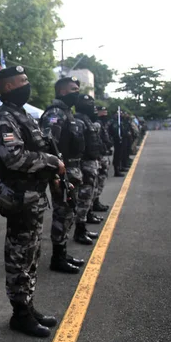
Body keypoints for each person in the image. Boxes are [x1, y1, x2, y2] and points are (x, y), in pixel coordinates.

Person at [0, 66, 62, 338]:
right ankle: (19, 314)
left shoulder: (22, 116)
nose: (27, 85)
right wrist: (53, 162)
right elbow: (14, 158)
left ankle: (28, 306)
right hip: (19, 197)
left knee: (32, 254)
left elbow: (38, 149)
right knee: (19, 256)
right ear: (8, 87)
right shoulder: (3, 118)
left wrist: (50, 173)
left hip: (34, 194)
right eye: (23, 81)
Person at [39, 77, 88, 270]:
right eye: (73, 89)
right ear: (62, 92)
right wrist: (56, 176)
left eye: (78, 89)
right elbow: (49, 145)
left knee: (68, 212)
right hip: (62, 172)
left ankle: (62, 253)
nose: (77, 92)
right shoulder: (55, 113)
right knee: (62, 213)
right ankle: (57, 259)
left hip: (72, 169)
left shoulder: (68, 113)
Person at [74, 95, 104, 236]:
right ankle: (80, 230)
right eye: (89, 104)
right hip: (84, 163)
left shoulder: (87, 120)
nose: (92, 107)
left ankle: (84, 224)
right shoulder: (79, 120)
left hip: (91, 162)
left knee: (89, 195)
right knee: (84, 197)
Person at [93, 106, 112, 212]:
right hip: (98, 156)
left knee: (101, 180)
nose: (105, 113)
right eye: (103, 111)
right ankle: (93, 204)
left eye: (106, 111)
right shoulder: (96, 123)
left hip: (103, 154)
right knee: (96, 181)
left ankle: (96, 201)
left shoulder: (103, 123)